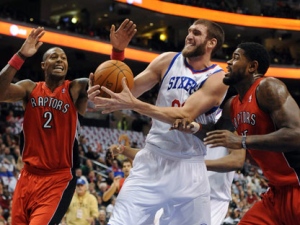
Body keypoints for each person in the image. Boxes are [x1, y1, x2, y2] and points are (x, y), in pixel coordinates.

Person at [88, 19, 227, 225]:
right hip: (152, 159)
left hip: (189, 167)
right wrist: (117, 53)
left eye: (196, 33)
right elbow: (126, 92)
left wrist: (136, 105)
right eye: (188, 31)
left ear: (211, 43)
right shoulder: (167, 60)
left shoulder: (217, 78)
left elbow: (185, 114)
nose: (189, 35)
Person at [0, 19, 136, 224]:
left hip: (58, 179)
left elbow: (111, 83)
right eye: (54, 56)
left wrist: (117, 51)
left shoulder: (76, 89)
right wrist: (20, 55)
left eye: (63, 58)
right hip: (27, 176)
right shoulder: (29, 88)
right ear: (43, 65)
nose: (60, 60)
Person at [175, 42, 300, 224]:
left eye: (235, 58)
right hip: (276, 193)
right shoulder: (232, 105)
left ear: (252, 66)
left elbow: (297, 134)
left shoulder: (268, 87)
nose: (228, 62)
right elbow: (215, 136)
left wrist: (242, 141)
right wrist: (193, 128)